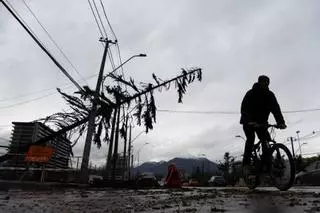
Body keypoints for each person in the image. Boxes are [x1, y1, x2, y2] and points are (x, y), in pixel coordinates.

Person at [240, 75, 286, 173]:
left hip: (261, 123)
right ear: (259, 82)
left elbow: (276, 109)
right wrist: (249, 121)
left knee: (266, 140)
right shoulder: (251, 93)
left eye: (267, 82)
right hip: (248, 122)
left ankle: (266, 163)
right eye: (264, 82)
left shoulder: (270, 95)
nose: (266, 84)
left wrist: (280, 122)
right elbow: (244, 108)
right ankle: (246, 164)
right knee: (250, 139)